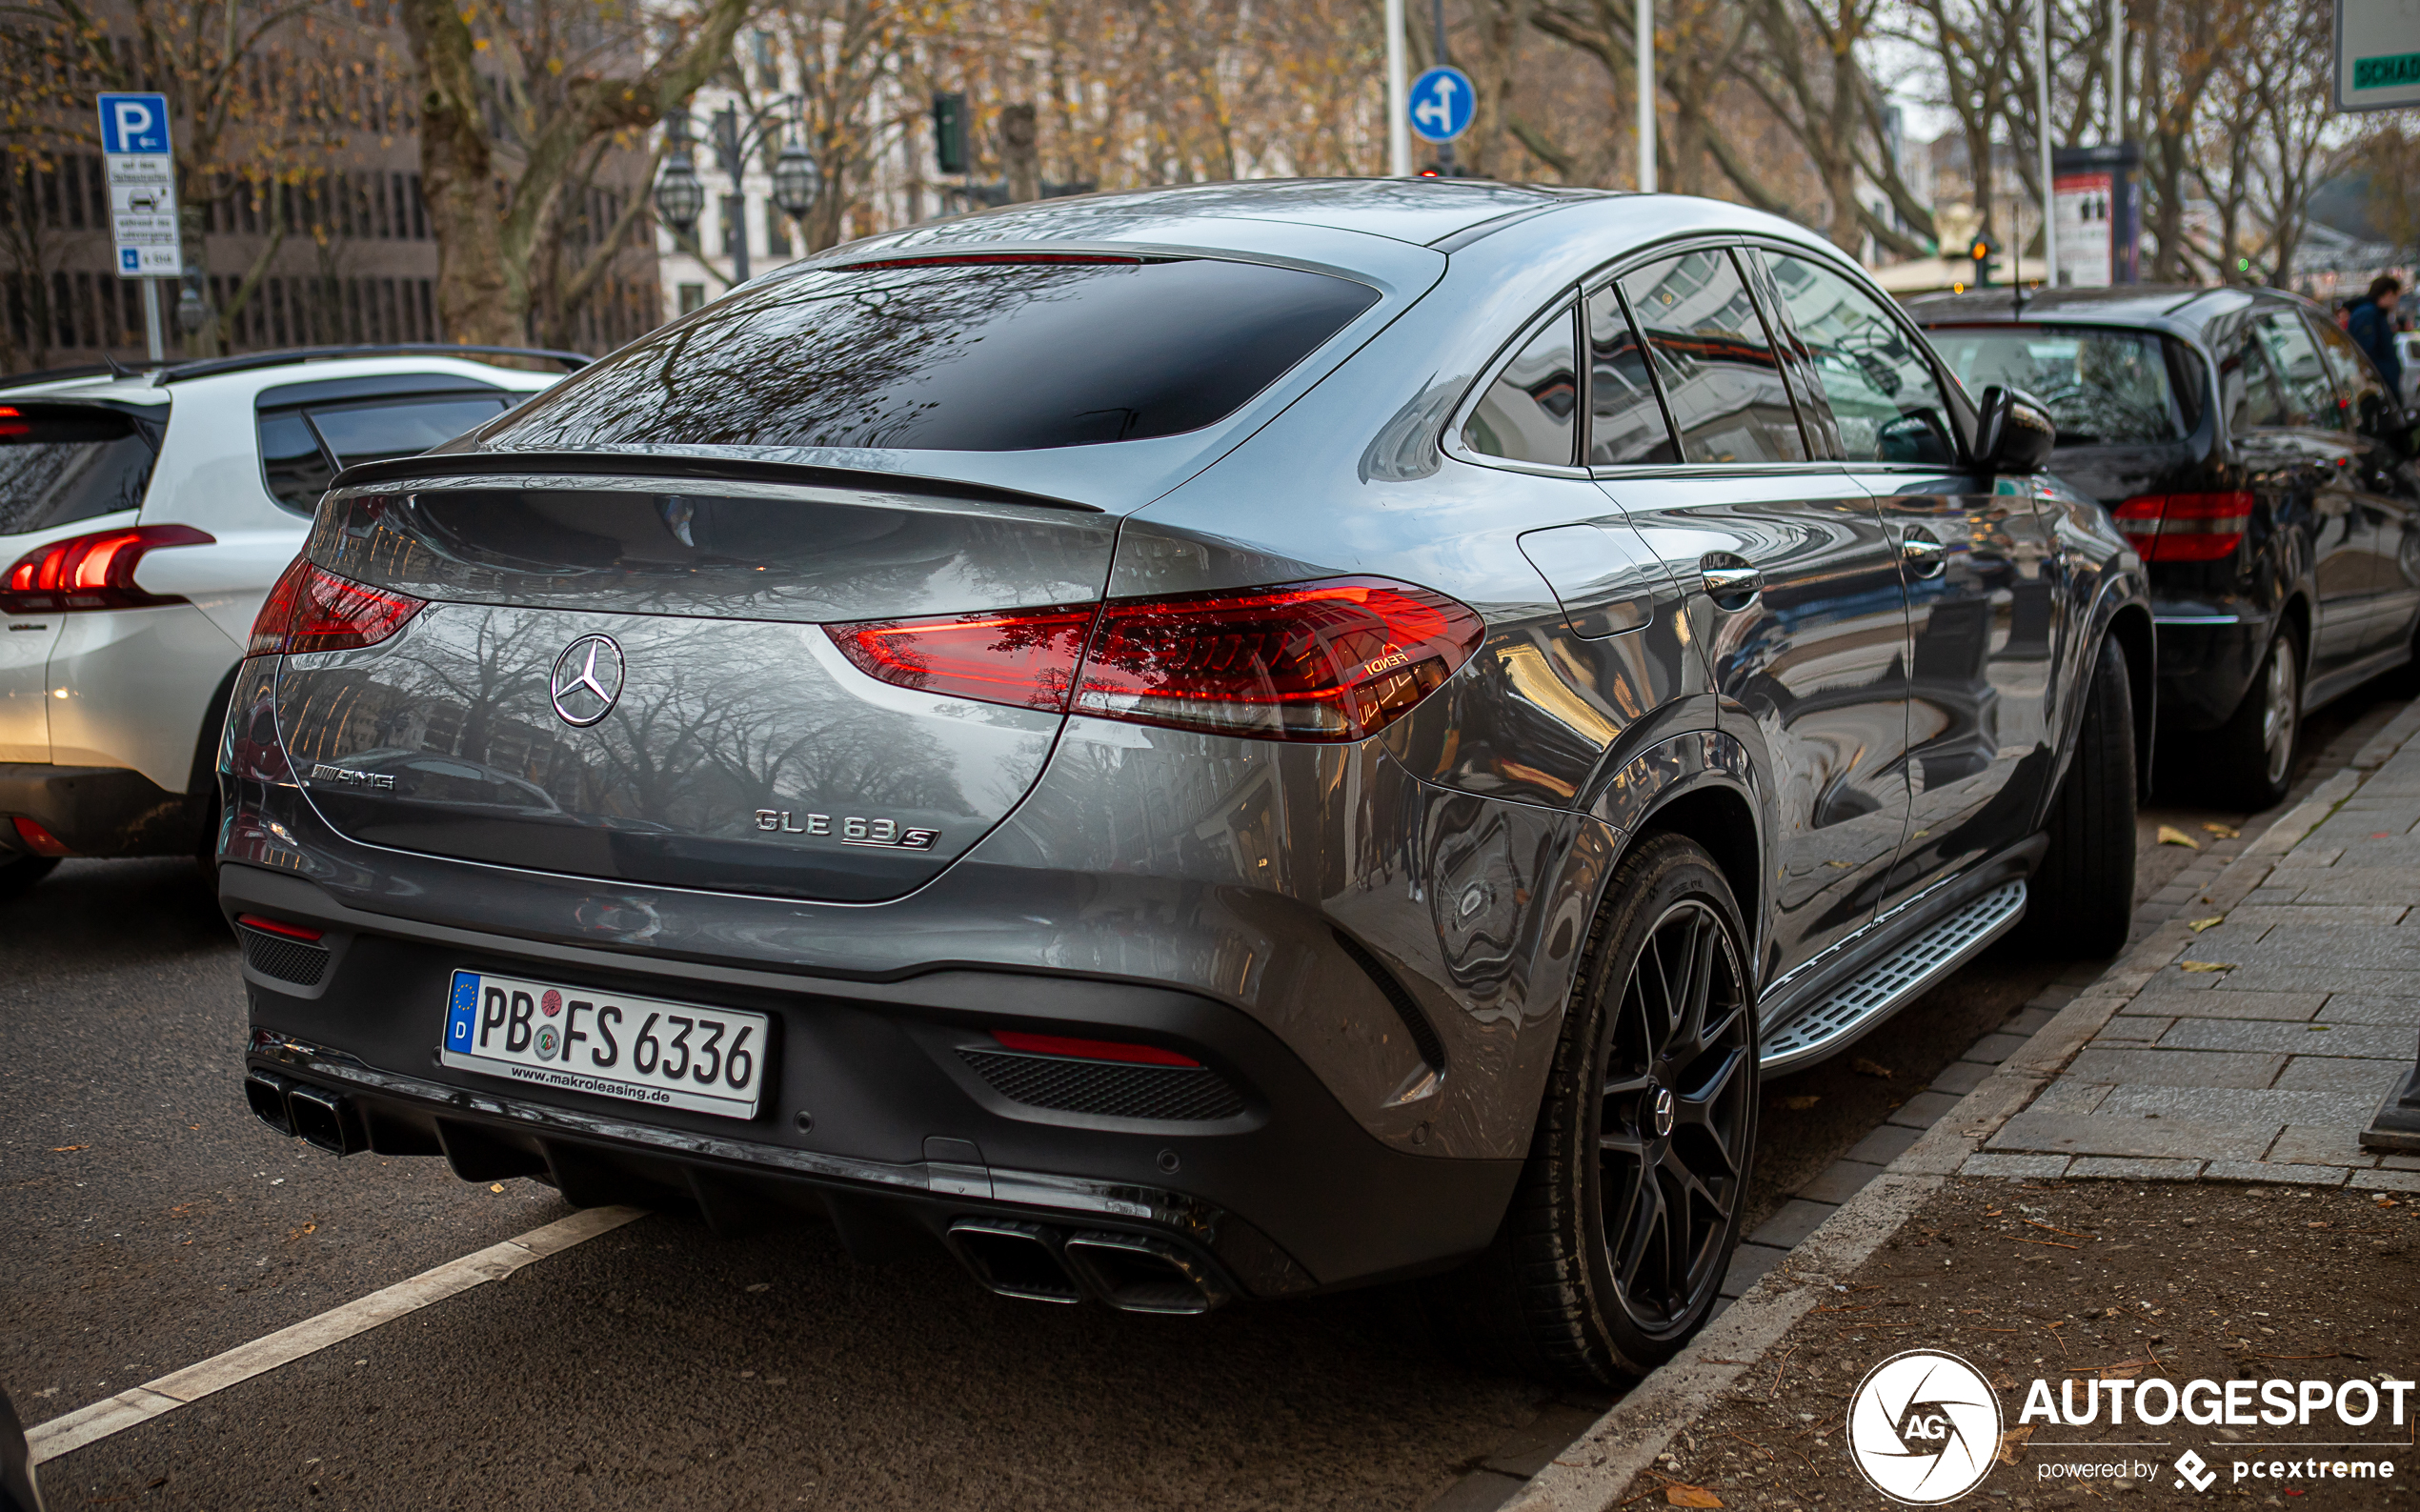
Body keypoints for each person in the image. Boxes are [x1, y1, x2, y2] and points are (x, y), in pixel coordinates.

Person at [2348, 274, 2404, 398]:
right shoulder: (2367, 315)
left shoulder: (2376, 315)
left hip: (2384, 387)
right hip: (2379, 391)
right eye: (2397, 297)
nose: (2396, 302)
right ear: (2389, 294)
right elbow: (2365, 354)